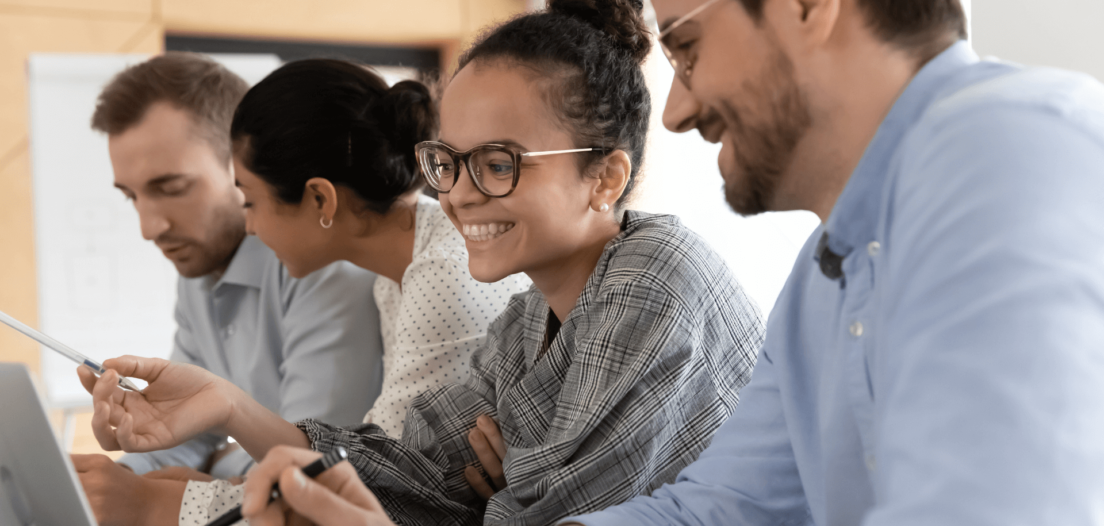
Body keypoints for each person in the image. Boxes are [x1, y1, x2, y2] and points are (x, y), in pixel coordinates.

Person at [82, 1, 767, 525]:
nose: (460, 194)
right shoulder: (527, 321)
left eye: (498, 164)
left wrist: (499, 495)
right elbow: (408, 472)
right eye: (448, 163)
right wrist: (224, 402)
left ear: (605, 178)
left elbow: (532, 511)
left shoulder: (654, 278)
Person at [559, 0, 1104, 524]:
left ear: (808, 6)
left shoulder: (1011, 153)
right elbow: (723, 508)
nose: (677, 112)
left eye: (686, 46)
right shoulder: (817, 282)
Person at [76, 58, 530, 526]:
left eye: (250, 201)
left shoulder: (441, 274)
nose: (249, 226)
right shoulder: (395, 273)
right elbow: (369, 465)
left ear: (320, 200)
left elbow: (375, 483)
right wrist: (217, 424)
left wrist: (163, 502)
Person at [75, 53, 385, 481]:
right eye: (132, 196)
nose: (149, 228)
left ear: (240, 165)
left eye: (172, 188)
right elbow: (184, 434)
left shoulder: (322, 263)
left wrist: (208, 472)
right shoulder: (198, 272)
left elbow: (316, 464)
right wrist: (110, 481)